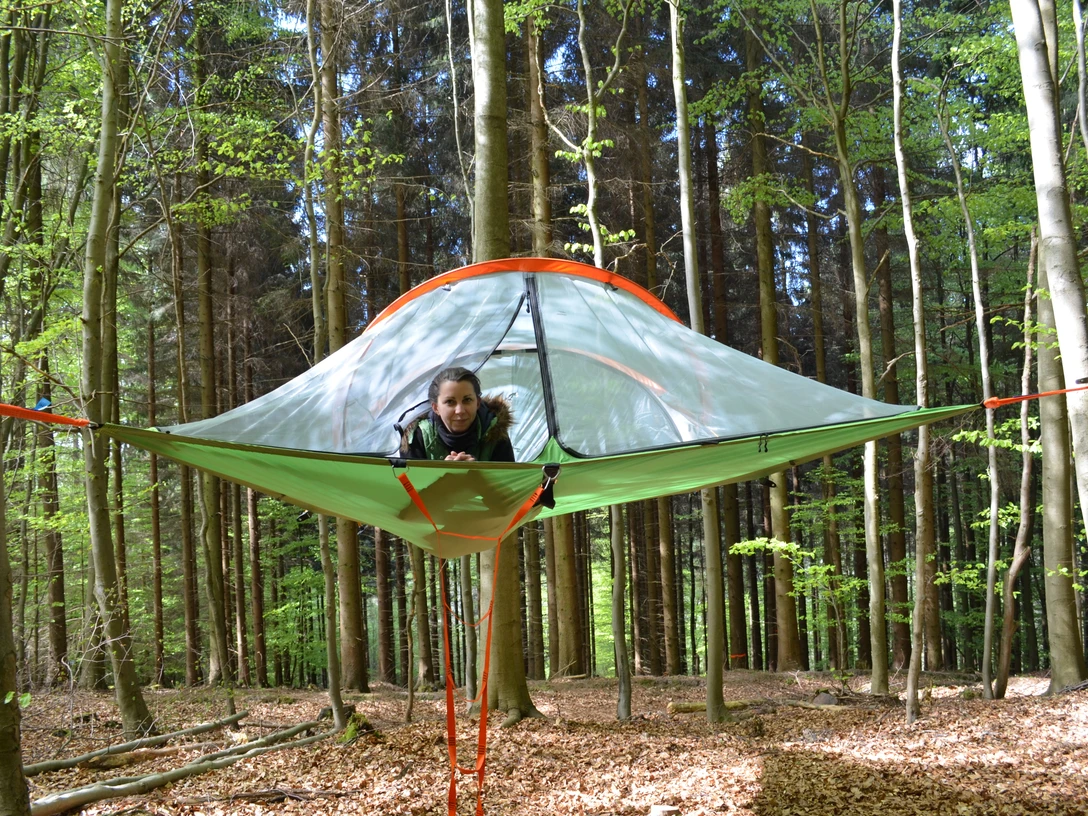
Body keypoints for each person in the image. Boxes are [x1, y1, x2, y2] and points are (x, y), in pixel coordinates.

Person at [401, 367, 515, 462]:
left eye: (467, 400)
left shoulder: (495, 432)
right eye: (450, 402)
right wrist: (440, 473)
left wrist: (478, 474)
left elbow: (509, 486)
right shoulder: (417, 436)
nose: (460, 410)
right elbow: (408, 487)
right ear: (436, 408)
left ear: (478, 403)